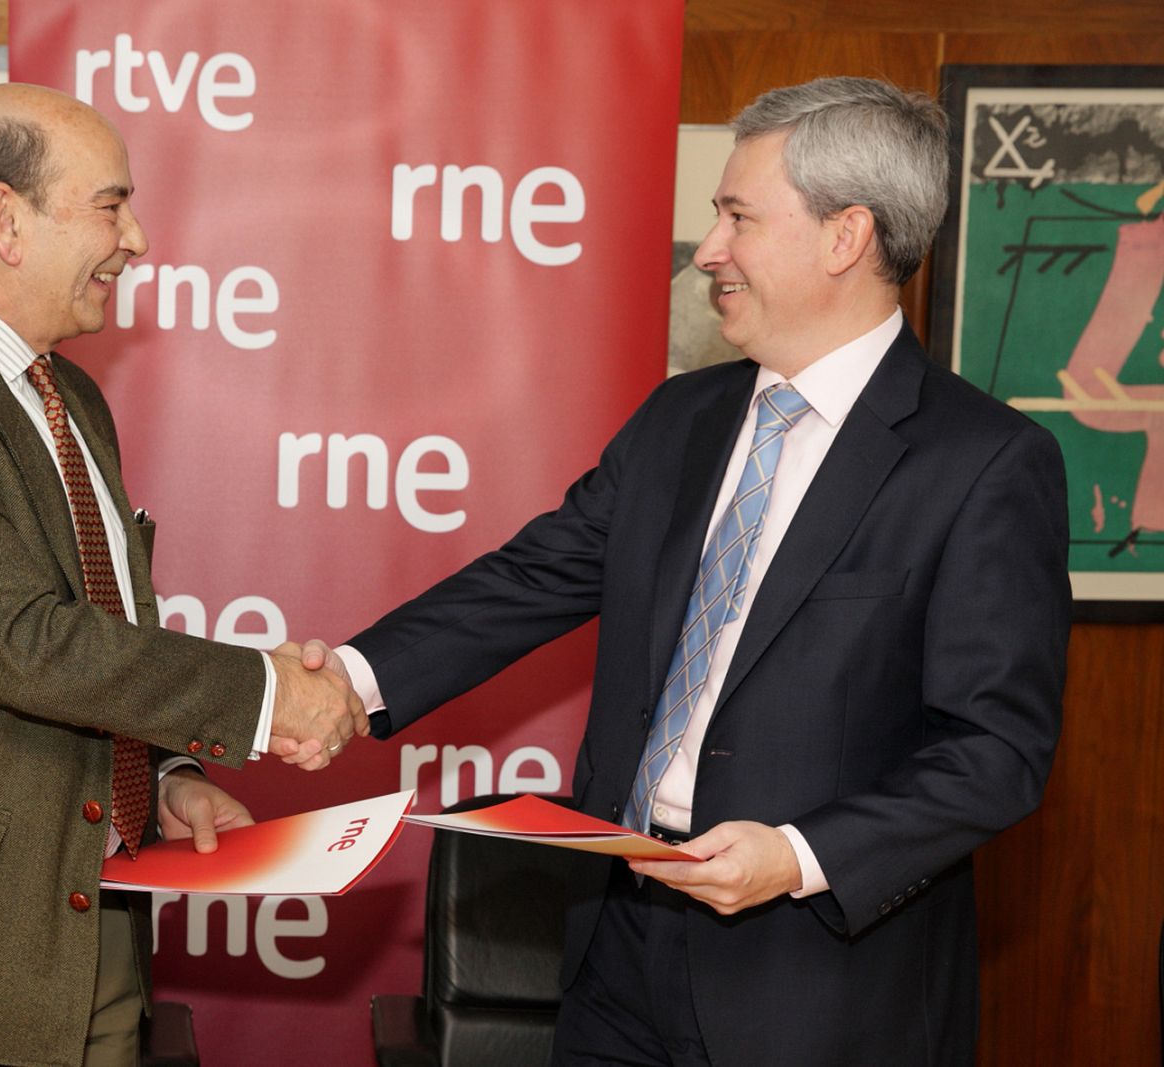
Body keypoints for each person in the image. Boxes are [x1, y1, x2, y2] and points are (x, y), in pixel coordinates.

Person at [301, 76, 1070, 1063]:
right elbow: (531, 579)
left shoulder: (982, 462)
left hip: (818, 985)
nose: (707, 249)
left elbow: (993, 750)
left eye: (736, 215)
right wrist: (347, 685)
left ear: (846, 237)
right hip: (614, 947)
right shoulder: (680, 419)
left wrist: (796, 855)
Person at [0, 83, 367, 1067]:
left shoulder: (70, 393)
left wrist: (161, 772)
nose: (136, 239)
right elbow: (23, 642)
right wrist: (267, 691)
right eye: (111, 204)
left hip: (81, 940)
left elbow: (95, 627)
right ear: (7, 218)